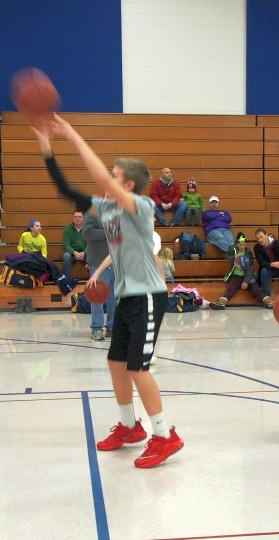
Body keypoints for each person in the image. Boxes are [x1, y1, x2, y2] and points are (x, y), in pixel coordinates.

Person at [34, 114, 183, 468]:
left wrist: (70, 133)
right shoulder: (106, 208)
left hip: (148, 295)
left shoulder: (140, 207)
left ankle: (164, 435)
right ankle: (131, 427)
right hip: (128, 296)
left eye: (115, 177)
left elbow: (98, 175)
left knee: (139, 368)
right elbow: (66, 190)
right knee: (116, 363)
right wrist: (46, 146)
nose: (107, 180)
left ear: (128, 185)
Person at [210, 233, 270, 310]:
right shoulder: (233, 251)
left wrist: (245, 281)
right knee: (231, 287)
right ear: (237, 244)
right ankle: (221, 303)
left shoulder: (248, 253)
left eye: (243, 243)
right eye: (240, 243)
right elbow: (229, 258)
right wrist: (236, 257)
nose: (242, 245)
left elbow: (250, 269)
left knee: (255, 288)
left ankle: (268, 302)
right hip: (236, 276)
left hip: (248, 276)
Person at [82, 211, 115, 341]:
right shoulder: (93, 214)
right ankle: (96, 328)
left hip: (116, 262)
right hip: (97, 262)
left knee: (114, 297)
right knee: (97, 296)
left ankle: (112, 328)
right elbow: (88, 234)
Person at [62, 210, 86, 278]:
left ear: (83, 218)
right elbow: (66, 245)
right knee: (66, 256)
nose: (77, 219)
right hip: (72, 254)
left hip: (84, 253)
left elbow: (91, 244)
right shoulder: (67, 229)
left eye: (79, 217)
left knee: (94, 255)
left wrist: (84, 252)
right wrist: (74, 252)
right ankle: (67, 279)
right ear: (73, 218)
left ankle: (94, 280)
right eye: (75, 217)